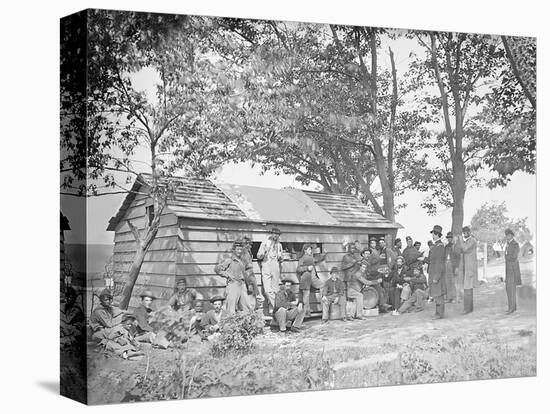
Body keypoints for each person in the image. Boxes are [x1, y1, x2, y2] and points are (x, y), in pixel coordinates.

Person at [90, 289, 141, 359]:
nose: (108, 301)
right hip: (98, 333)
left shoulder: (108, 308)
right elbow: (109, 324)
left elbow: (121, 311)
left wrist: (132, 314)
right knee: (119, 331)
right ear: (101, 301)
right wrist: (122, 319)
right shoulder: (99, 311)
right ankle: (129, 348)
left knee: (120, 334)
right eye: (106, 300)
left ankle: (129, 350)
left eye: (109, 299)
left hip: (107, 332)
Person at [215, 239, 254, 314]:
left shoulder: (242, 261)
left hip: (242, 284)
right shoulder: (229, 260)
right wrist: (227, 275)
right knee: (231, 305)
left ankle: (247, 322)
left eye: (240, 249)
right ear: (234, 250)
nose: (239, 251)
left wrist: (249, 284)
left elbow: (246, 273)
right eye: (237, 249)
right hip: (233, 284)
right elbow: (217, 269)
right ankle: (230, 323)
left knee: (246, 304)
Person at [257, 228, 284, 311]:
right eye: (274, 233)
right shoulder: (265, 243)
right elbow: (259, 256)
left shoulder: (279, 245)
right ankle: (278, 307)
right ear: (271, 234)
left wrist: (280, 257)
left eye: (277, 234)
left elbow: (282, 258)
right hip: (266, 265)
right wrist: (264, 252)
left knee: (276, 290)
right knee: (267, 290)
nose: (276, 235)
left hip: (275, 266)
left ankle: (273, 310)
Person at [296, 243, 326, 317]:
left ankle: (308, 313)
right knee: (306, 296)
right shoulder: (302, 258)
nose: (311, 251)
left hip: (311, 279)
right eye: (309, 249)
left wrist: (324, 255)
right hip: (307, 279)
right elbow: (298, 269)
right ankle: (307, 313)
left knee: (307, 295)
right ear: (305, 250)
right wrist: (306, 268)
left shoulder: (310, 258)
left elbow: (317, 259)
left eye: (311, 249)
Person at [456, 226, 478, 314]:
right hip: (466, 268)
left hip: (470, 268)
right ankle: (469, 308)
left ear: (469, 232)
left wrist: (460, 240)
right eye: (463, 233)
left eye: (465, 233)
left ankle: (467, 309)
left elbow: (465, 248)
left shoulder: (472, 240)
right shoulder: (466, 241)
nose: (464, 235)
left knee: (468, 288)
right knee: (467, 288)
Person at [426, 225, 446, 320]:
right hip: (433, 274)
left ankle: (440, 314)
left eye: (433, 234)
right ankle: (438, 313)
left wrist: (436, 277)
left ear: (437, 234)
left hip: (437, 275)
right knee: (436, 294)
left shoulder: (439, 246)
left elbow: (439, 263)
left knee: (438, 295)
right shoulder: (435, 246)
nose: (432, 235)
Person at [504, 228, 522, 314]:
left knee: (511, 288)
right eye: (506, 235)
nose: (507, 236)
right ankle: (512, 307)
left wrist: (507, 257)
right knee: (508, 288)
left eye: (508, 235)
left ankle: (512, 308)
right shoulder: (507, 244)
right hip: (508, 270)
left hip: (513, 270)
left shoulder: (515, 244)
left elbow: (514, 257)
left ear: (511, 235)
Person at [242, 236, 261, 301]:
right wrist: (249, 283)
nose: (250, 246)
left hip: (250, 274)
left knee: (254, 293)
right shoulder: (243, 253)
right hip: (247, 275)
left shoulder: (248, 252)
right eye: (249, 244)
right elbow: (244, 269)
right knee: (251, 293)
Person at [444, 232, 459, 303]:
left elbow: (457, 258)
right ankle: (449, 297)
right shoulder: (446, 247)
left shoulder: (455, 246)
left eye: (450, 238)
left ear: (452, 238)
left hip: (453, 265)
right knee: (447, 282)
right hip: (446, 264)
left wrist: (456, 267)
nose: (449, 239)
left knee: (453, 282)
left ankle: (454, 297)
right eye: (448, 238)